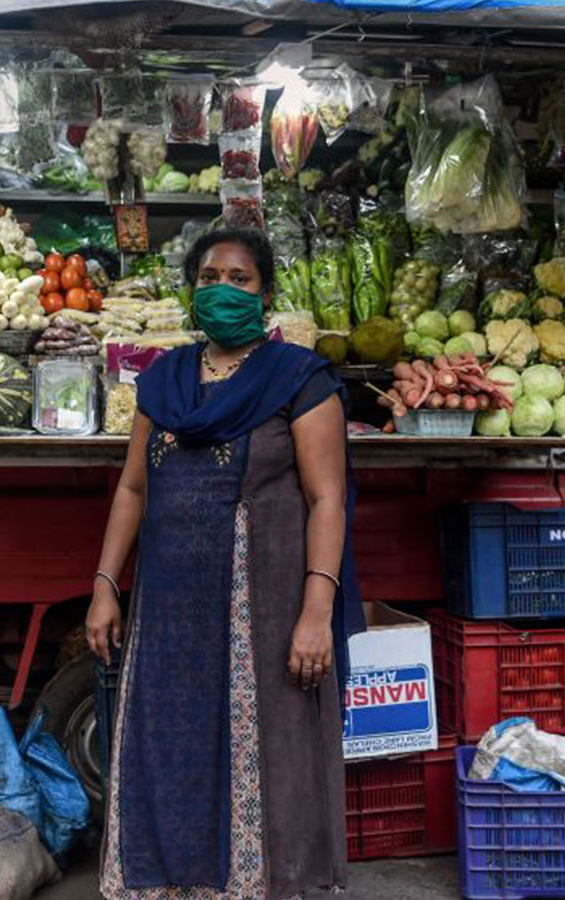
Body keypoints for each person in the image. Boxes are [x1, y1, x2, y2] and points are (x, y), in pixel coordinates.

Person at [86, 228, 365, 899]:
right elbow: (131, 487)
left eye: (239, 278)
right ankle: (175, 880)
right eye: (209, 275)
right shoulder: (165, 381)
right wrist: (104, 586)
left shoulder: (299, 380)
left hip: (259, 609)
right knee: (170, 743)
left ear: (264, 292)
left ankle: (258, 881)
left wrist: (315, 613)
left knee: (265, 744)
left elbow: (327, 500)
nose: (222, 288)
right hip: (170, 612)